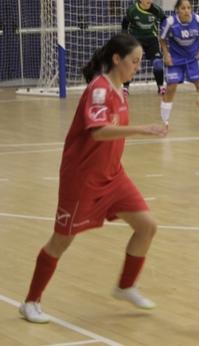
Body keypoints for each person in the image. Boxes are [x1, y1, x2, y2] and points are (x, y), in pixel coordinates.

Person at [20, 34, 168, 324]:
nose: (138, 67)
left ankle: (125, 286)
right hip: (82, 179)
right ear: (117, 59)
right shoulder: (99, 90)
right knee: (61, 240)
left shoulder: (120, 91)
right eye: (134, 61)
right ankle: (31, 301)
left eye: (140, 62)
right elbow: (98, 132)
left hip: (112, 175)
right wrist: (142, 130)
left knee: (147, 226)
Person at [159, 0, 199, 132]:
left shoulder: (198, 20)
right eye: (183, 8)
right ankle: (165, 122)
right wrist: (166, 54)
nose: (186, 10)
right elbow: (162, 39)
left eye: (189, 7)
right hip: (176, 59)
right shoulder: (170, 22)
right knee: (171, 87)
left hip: (193, 58)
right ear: (177, 9)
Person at [122, 0, 167, 95]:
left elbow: (164, 20)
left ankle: (160, 87)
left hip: (151, 39)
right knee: (130, 62)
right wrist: (124, 36)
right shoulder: (132, 10)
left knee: (158, 63)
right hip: (136, 39)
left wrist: (165, 31)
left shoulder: (156, 10)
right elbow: (125, 22)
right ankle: (125, 88)